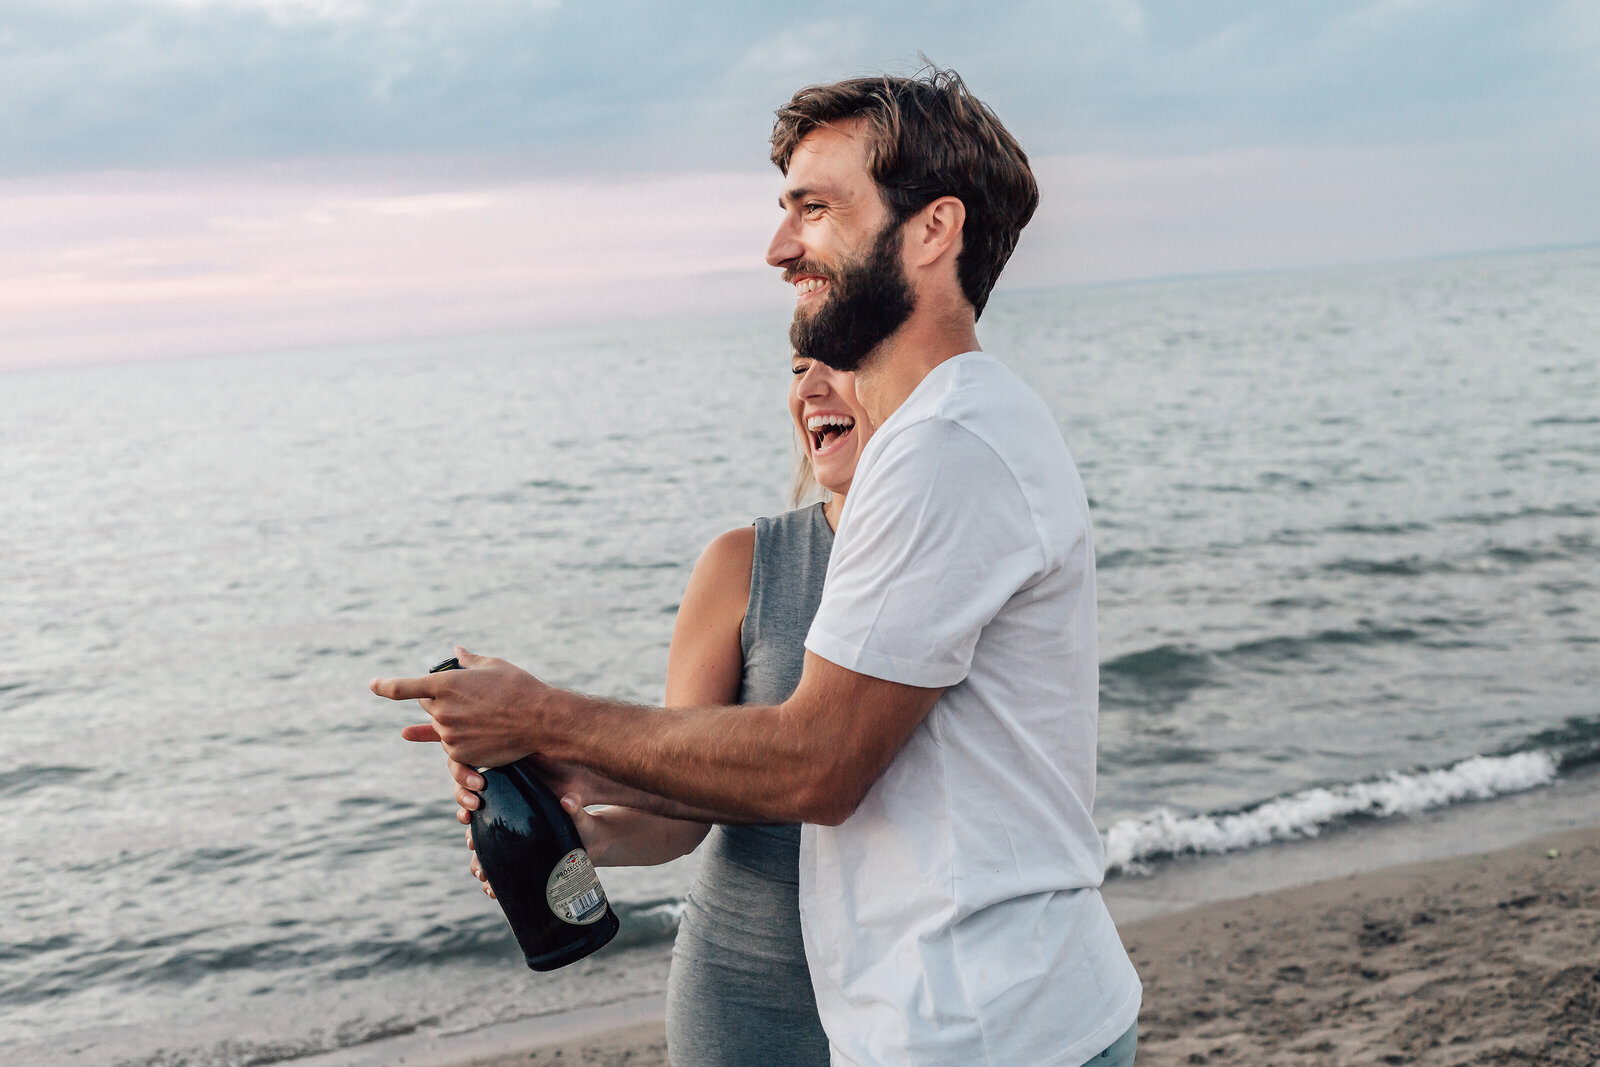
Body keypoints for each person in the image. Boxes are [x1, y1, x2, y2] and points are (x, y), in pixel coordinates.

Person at [375, 66, 1141, 1066]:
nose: (780, 248)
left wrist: (544, 715)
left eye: (815, 209)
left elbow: (816, 760)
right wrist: (574, 766)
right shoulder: (949, 432)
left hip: (985, 1030)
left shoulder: (946, 441)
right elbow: (802, 764)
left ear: (930, 229)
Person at [461, 354, 869, 1066]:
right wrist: (587, 836)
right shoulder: (745, 565)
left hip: (915, 990)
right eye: (799, 367)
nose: (809, 389)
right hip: (743, 989)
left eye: (843, 363)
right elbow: (681, 809)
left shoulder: (951, 560)